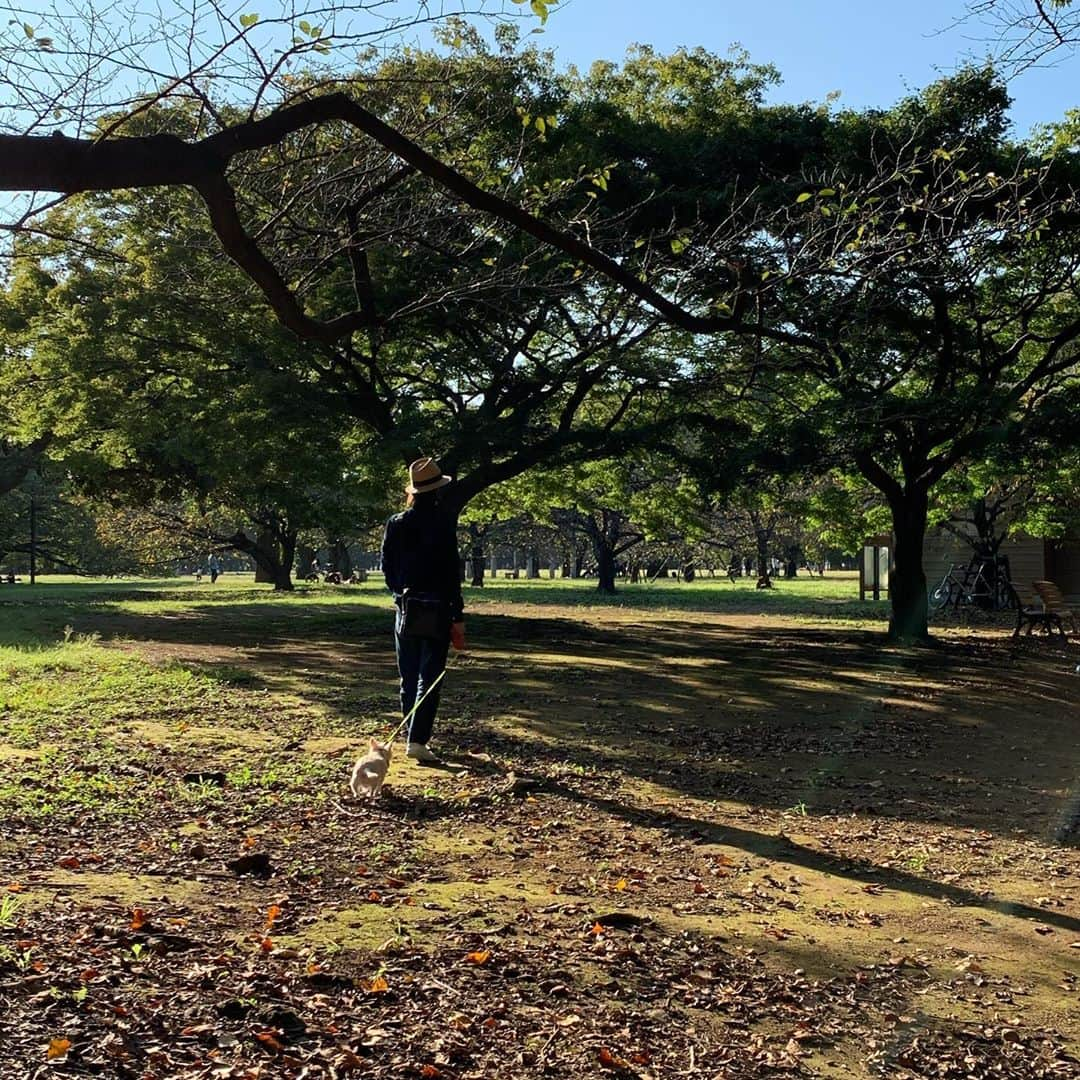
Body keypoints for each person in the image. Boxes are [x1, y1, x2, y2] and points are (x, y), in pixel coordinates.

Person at [381, 457, 465, 762]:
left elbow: (387, 568)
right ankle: (417, 739)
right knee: (429, 678)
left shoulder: (396, 523)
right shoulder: (443, 523)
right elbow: (451, 572)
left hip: (406, 606)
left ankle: (410, 734)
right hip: (438, 607)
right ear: (437, 491)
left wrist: (399, 595)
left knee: (409, 674)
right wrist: (458, 614)